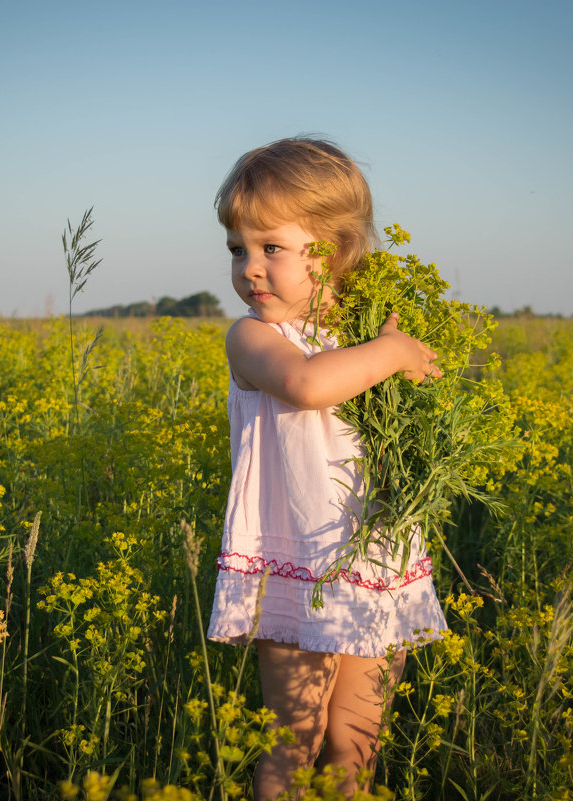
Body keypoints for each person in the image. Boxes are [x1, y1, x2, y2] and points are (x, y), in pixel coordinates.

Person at [206, 137, 449, 799]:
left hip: (373, 556)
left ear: (333, 251)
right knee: (293, 739)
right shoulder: (253, 337)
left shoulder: (362, 331)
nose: (249, 268)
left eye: (270, 248)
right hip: (297, 562)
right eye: (237, 249)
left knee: (355, 739)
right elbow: (309, 385)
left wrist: (403, 352)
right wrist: (393, 351)